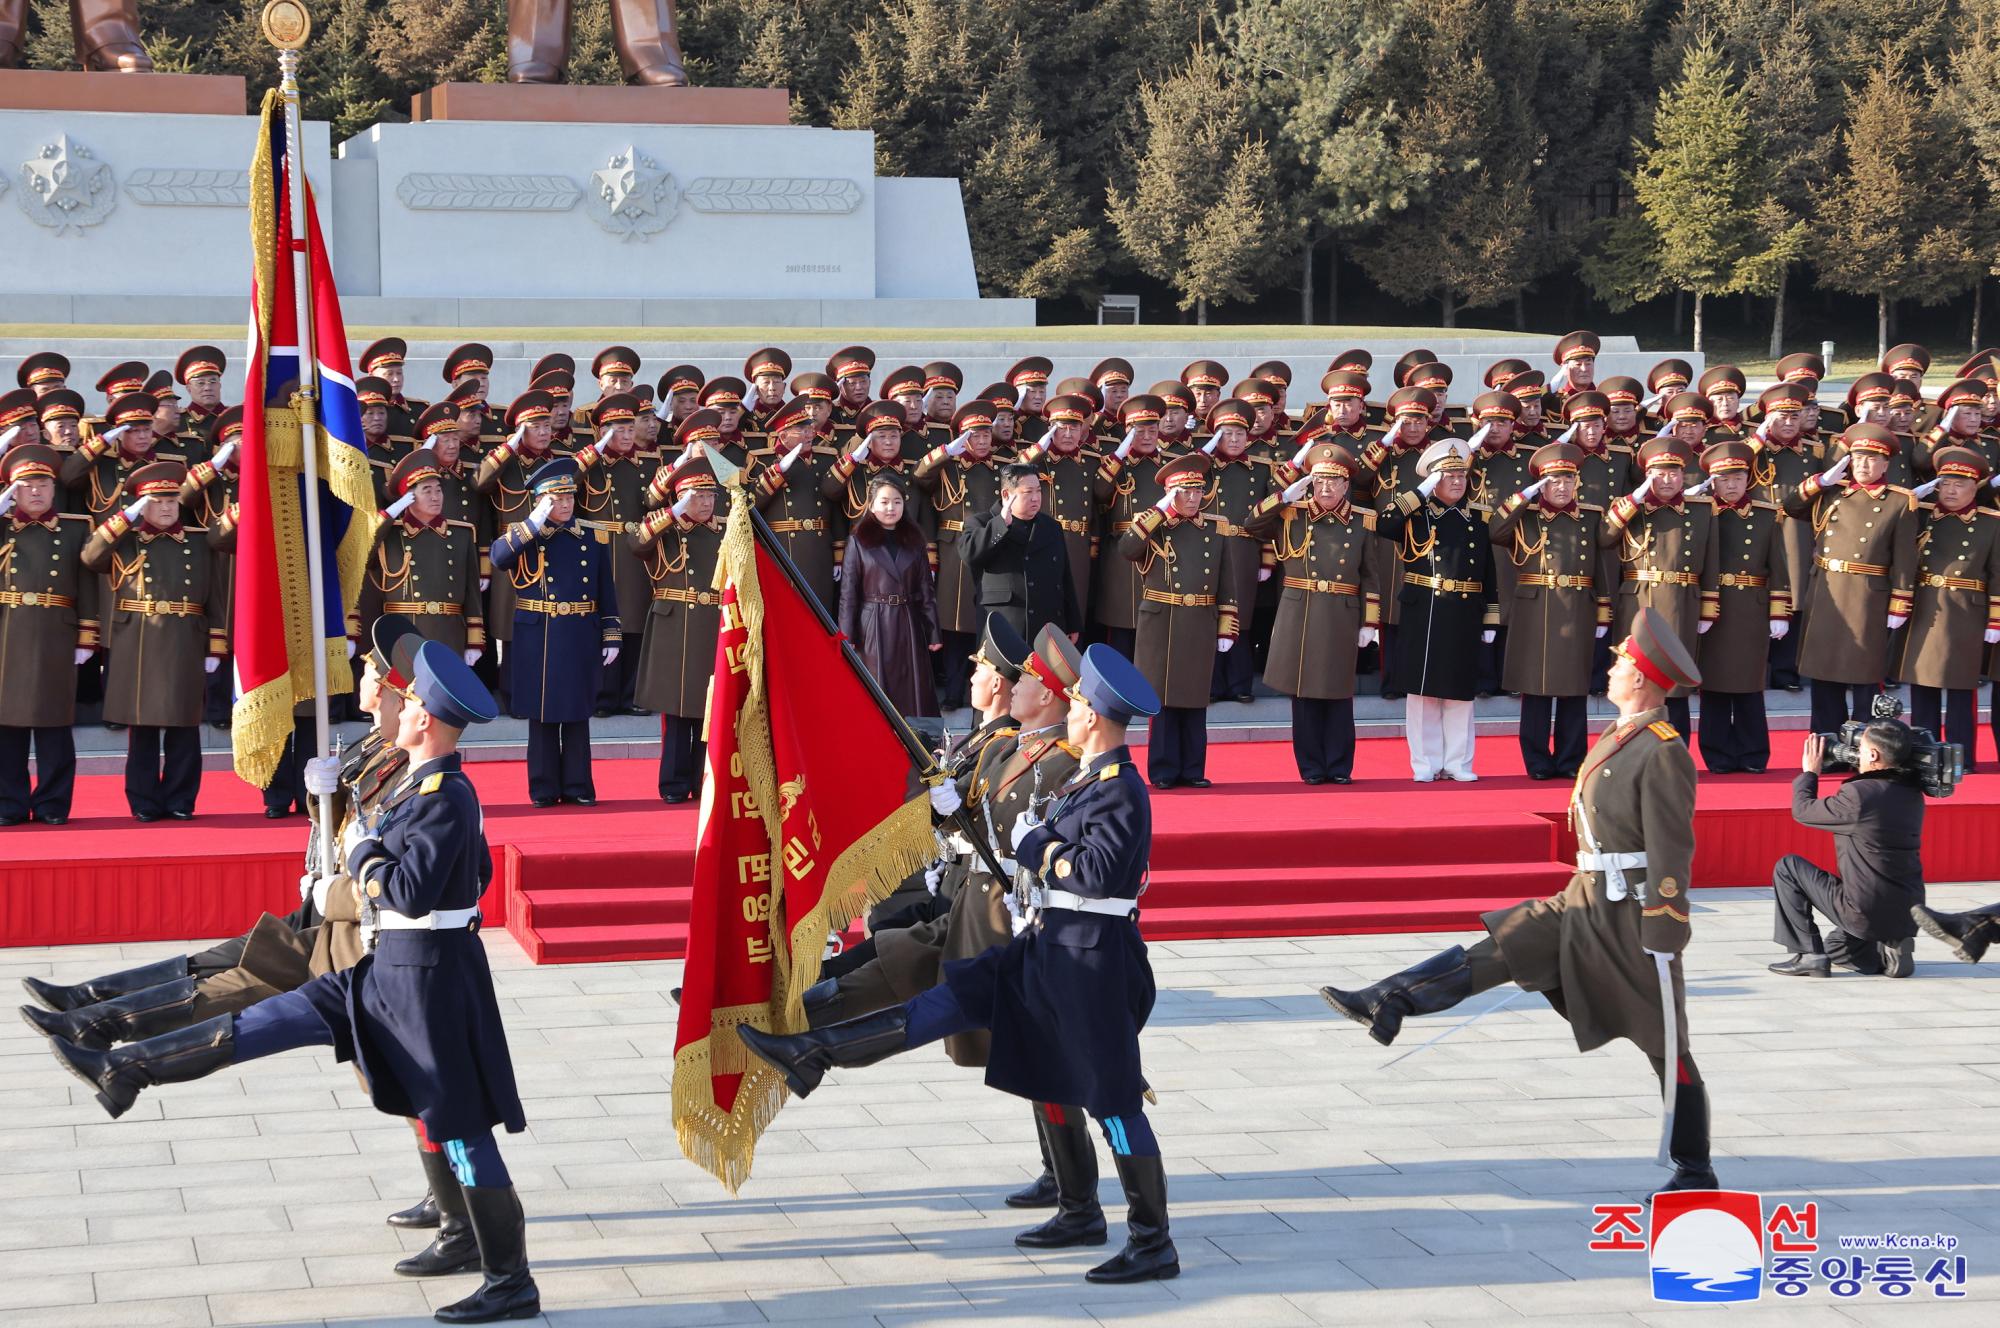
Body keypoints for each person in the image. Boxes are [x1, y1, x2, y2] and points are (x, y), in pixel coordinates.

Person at [44, 639, 539, 1323]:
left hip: (427, 984)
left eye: (414, 701)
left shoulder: (444, 795)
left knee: (460, 1129)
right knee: (268, 1020)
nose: (403, 706)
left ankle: (509, 1280)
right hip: (384, 972)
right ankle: (127, 1067)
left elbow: (411, 891)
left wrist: (364, 855)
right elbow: (463, 875)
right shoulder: (422, 788)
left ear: (424, 721)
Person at [738, 644, 1180, 1284]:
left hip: (1092, 967)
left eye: (1080, 704)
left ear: (1095, 720)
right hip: (1042, 951)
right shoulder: (1086, 778)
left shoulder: (1120, 792)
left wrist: (1038, 844)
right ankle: (814, 1050)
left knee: (1113, 1103)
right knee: (940, 1005)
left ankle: (1153, 1241)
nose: (1074, 711)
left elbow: (1092, 874)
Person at [1321, 607, 1715, 1191]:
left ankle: (1695, 1165)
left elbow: (1671, 849)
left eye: (1619, 662)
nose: (1610, 668)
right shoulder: (1620, 735)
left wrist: (1664, 928)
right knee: (1506, 943)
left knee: (1665, 1041)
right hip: (1584, 897)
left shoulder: (1661, 750)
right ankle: (1391, 999)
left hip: (1629, 917)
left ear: (1641, 678)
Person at [80, 460, 225, 820]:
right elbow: (90, 556)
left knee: (184, 727)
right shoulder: (125, 540)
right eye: (156, 501)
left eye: (171, 500)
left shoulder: (197, 539)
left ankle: (180, 800)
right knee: (142, 730)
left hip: (185, 638)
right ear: (142, 505)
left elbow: (216, 597)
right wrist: (124, 519)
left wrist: (216, 644)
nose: (165, 507)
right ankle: (144, 802)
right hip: (138, 640)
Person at [1244, 439, 1380, 785]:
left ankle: (1338, 765)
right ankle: (1311, 768)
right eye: (1319, 481)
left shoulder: (1362, 522)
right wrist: (1284, 497)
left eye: (1334, 481)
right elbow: (1252, 524)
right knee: (1303, 693)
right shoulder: (1292, 514)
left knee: (1338, 693)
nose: (1326, 487)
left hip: (1341, 611)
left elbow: (1371, 575)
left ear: (1346, 485)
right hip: (1301, 610)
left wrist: (1370, 621)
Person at [490, 456, 620, 807]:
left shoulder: (591, 537)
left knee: (577, 713)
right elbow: (499, 558)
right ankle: (544, 788)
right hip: (540, 634)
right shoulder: (526, 534)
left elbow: (605, 589)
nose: (565, 504)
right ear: (541, 501)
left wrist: (611, 634)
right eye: (556, 499)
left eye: (569, 498)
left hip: (579, 630)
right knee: (542, 716)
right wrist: (532, 523)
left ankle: (578, 786)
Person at [1783, 423, 1919, 733]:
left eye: (1871, 459)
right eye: (1857, 458)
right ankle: (1827, 744)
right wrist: (1819, 481)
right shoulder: (1831, 492)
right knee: (1823, 671)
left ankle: (1867, 745)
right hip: (1826, 589)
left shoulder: (1899, 501)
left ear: (1886, 463)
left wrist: (1900, 600)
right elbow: (1791, 507)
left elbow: (1904, 557)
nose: (1863, 465)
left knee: (1863, 675)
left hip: (1866, 595)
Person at [1490, 441, 1614, 779]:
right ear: (1542, 485)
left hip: (1577, 607)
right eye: (1553, 481)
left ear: (1577, 483)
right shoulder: (1525, 516)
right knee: (1536, 689)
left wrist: (1604, 610)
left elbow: (1602, 562)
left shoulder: (1589, 516)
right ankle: (1538, 761)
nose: (1561, 487)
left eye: (1567, 481)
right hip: (1536, 609)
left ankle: (1571, 760)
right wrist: (1523, 497)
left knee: (1574, 690)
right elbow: (1496, 532)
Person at [1376, 438, 1496, 782]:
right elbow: (1385, 524)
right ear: (1432, 479)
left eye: (1461, 475)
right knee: (1423, 691)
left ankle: (1458, 762)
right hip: (1425, 608)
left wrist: (1491, 613)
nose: (1457, 482)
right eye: (1447, 476)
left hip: (1463, 610)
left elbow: (1488, 570)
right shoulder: (1417, 515)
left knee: (1459, 691)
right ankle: (1425, 763)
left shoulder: (1478, 517)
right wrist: (1421, 491)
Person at [1770, 724, 1927, 979]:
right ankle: (1890, 946)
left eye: (1860, 749)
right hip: (1908, 911)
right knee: (1837, 948)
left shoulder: (1859, 794)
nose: (1855, 754)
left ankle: (1808, 955)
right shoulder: (1913, 793)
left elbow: (1803, 810)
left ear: (1874, 756)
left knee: (1788, 867)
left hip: (1865, 909)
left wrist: (1810, 772)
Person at [1121, 451, 1239, 789]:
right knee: (1164, 700)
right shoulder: (1155, 525)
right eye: (1184, 492)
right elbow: (1127, 549)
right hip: (1162, 618)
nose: (1192, 498)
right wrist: (1160, 510)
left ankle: (1193, 769)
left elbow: (1226, 580)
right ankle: (1163, 770)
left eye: (1197, 491)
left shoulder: (1215, 528)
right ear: (1171, 494)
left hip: (1199, 617)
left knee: (1195, 697)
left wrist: (1227, 622)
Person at [0, 442, 97, 824]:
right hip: (7, 634)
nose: (35, 491)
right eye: (25, 485)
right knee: (6, 727)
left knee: (54, 726)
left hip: (55, 633)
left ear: (55, 487)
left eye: (42, 483)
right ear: (12, 489)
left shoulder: (75, 529)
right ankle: (8, 803)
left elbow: (87, 585)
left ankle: (53, 804)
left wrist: (87, 635)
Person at [1894, 445, 2000, 772]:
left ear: (1975, 488)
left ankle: (1960, 757)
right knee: (1923, 686)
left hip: (1964, 612)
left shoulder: (1990, 523)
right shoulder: (1921, 513)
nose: (1951, 490)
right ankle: (1924, 755)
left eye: (1960, 484)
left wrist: (1995, 619)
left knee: (1959, 691)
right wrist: (1909, 499)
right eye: (1945, 483)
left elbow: (1997, 572)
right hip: (1925, 607)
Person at [1600, 437, 1715, 736]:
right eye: (1659, 473)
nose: (1667, 480)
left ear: (1683, 475)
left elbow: (1711, 562)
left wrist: (1708, 608)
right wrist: (1633, 501)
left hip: (1681, 602)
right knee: (1634, 679)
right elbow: (1605, 538)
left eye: (1674, 473)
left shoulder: (1701, 510)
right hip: (1638, 600)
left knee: (1673, 682)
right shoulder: (1630, 508)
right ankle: (1629, 743)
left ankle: (1675, 747)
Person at [630, 456, 725, 803]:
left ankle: (702, 782)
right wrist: (671, 515)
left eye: (709, 496)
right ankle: (672, 784)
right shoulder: (664, 528)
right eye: (696, 496)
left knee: (708, 711)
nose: (705, 503)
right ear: (680, 498)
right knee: (676, 711)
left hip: (712, 623)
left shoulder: (724, 529)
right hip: (675, 625)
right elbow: (636, 544)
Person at [1693, 440, 1790, 773]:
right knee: (1715, 685)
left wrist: (1779, 611)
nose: (1731, 485)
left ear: (1748, 477)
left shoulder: (1765, 514)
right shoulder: (1702, 512)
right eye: (1723, 478)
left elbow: (1778, 564)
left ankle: (1752, 754)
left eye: (1737, 477)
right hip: (1714, 605)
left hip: (1751, 606)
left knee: (1749, 685)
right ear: (1712, 481)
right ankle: (1717, 754)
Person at [915, 400, 1008, 708]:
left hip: (992, 545)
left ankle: (983, 694)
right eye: (974, 435)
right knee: (954, 625)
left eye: (985, 435)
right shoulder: (950, 466)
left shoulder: (1001, 466)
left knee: (985, 622)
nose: (982, 442)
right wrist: (946, 452)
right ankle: (954, 692)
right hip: (955, 547)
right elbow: (920, 476)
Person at [837, 471, 941, 718]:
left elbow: (926, 589)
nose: (891, 508)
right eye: (884, 502)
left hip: (908, 622)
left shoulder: (915, 540)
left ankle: (917, 746)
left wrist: (933, 630)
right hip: (873, 624)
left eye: (897, 501)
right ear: (871, 504)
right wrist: (846, 634)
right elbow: (848, 594)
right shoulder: (858, 541)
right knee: (877, 692)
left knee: (913, 692)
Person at [960, 461, 1081, 640]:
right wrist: (1001, 524)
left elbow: (1065, 577)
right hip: (1004, 624)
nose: (1035, 498)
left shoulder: (1051, 526)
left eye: (1038, 491)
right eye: (1028, 492)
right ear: (1006, 495)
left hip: (1046, 624)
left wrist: (1072, 622)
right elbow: (969, 554)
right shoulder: (982, 523)